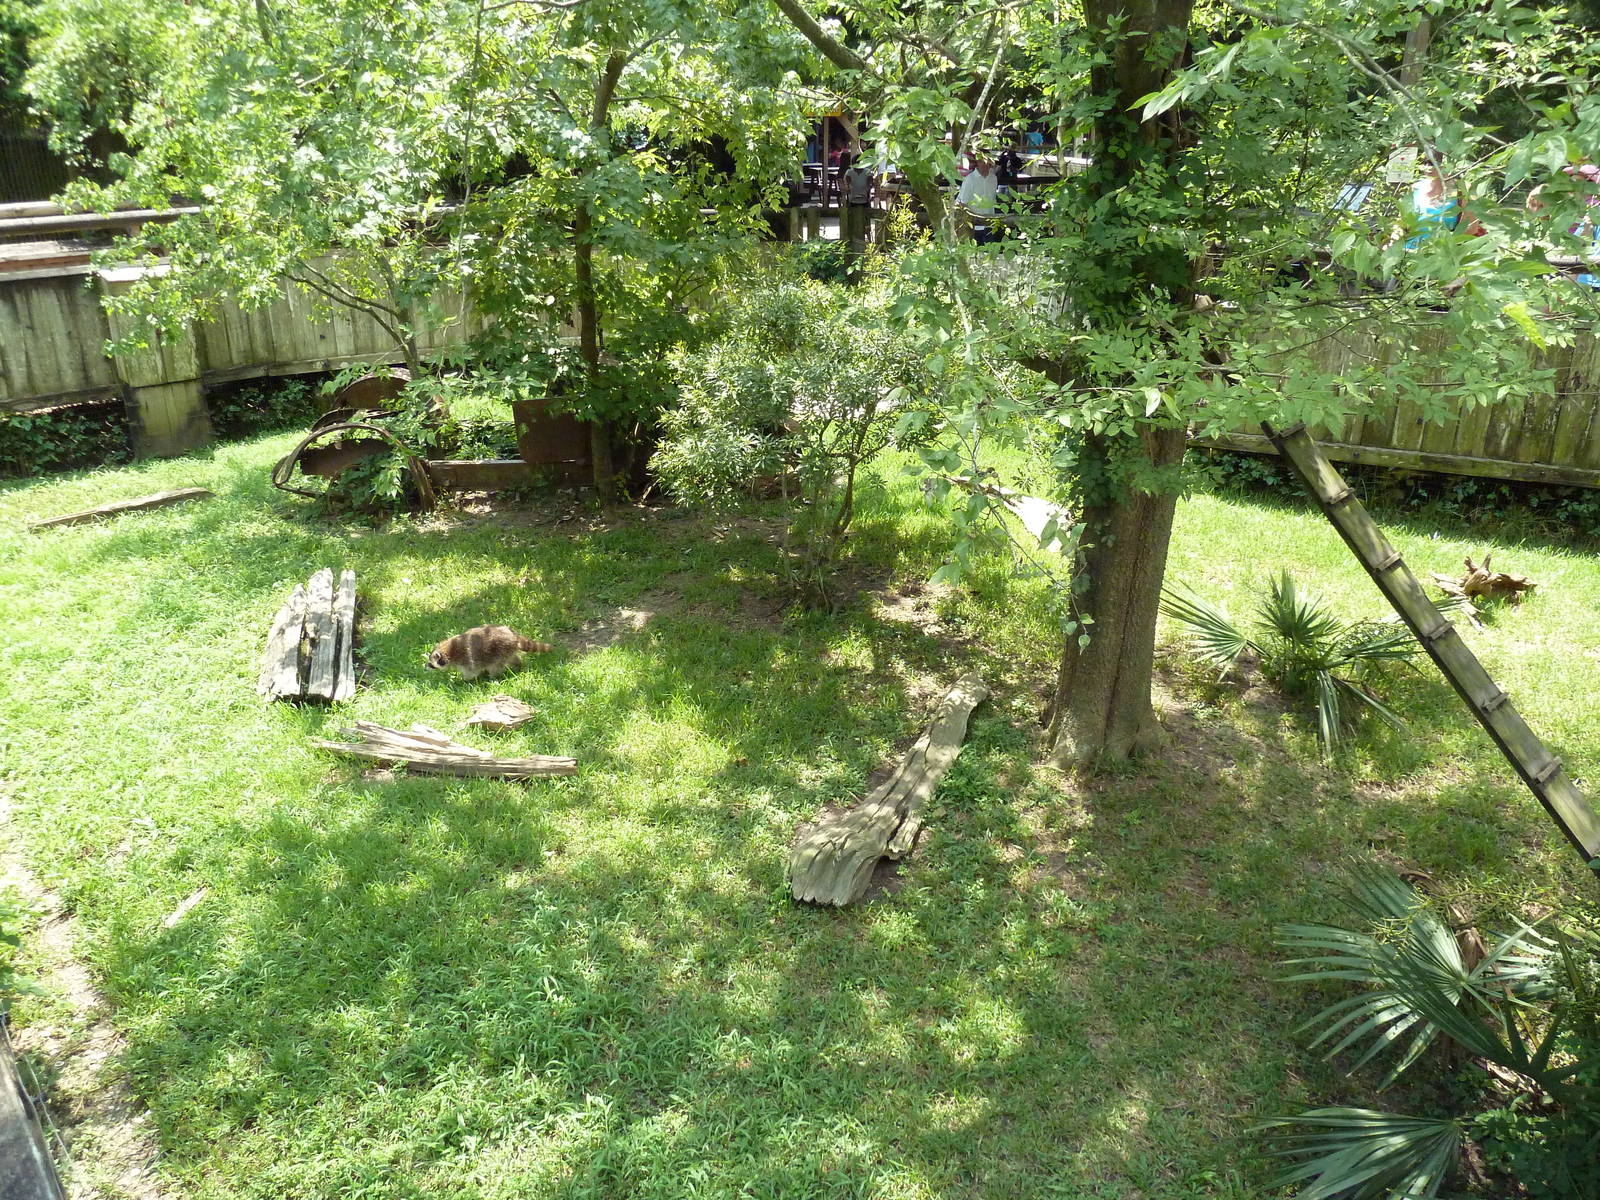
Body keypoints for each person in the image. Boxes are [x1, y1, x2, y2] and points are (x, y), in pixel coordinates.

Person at [839, 150, 876, 254]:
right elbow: (846, 183)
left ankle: (869, 238)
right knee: (851, 218)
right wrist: (847, 188)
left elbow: (870, 184)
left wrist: (868, 189)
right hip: (853, 199)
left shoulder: (867, 172)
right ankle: (851, 236)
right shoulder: (849, 172)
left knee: (866, 220)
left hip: (864, 199)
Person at [956, 156, 1000, 243]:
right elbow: (962, 203)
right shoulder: (970, 179)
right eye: (982, 161)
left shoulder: (993, 178)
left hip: (989, 224)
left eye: (987, 162)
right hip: (973, 225)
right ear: (978, 162)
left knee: (989, 252)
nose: (985, 164)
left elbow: (993, 199)